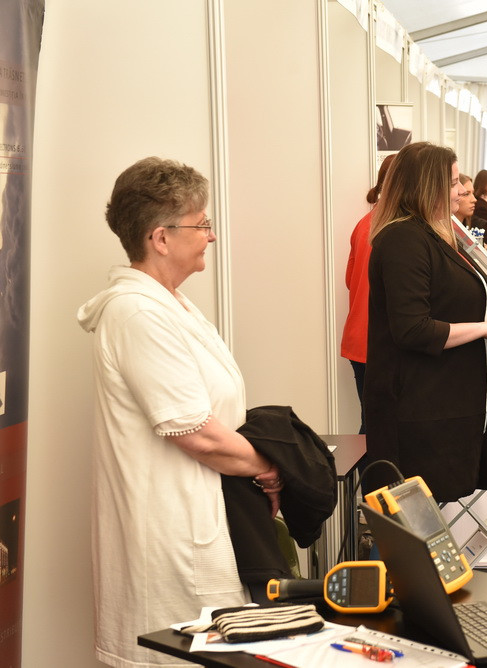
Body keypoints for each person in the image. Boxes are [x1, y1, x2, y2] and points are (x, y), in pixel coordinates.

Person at [78, 157, 283, 666]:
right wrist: (272, 467)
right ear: (160, 238)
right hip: (168, 537)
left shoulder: (172, 304)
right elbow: (199, 435)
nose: (210, 235)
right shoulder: (137, 313)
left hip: (199, 519)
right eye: (201, 224)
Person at [364, 142, 487, 502]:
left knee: (429, 511)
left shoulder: (431, 234)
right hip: (417, 405)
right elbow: (413, 329)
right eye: (452, 183)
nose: (462, 190)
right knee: (412, 514)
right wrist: (485, 328)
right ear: (426, 187)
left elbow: (445, 310)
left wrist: (479, 338)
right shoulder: (403, 239)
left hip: (440, 399)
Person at [342, 153, 396, 434]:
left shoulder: (364, 223)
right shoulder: (396, 228)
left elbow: (350, 281)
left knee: (372, 422)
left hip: (361, 339)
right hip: (382, 341)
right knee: (381, 427)